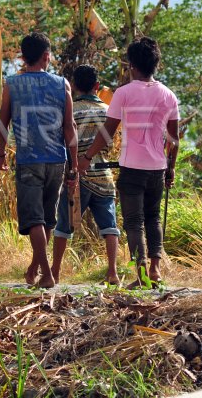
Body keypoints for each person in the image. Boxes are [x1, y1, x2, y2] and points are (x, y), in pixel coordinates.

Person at [78, 37, 179, 288]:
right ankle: (155, 271)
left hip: (132, 168)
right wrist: (171, 168)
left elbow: (107, 132)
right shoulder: (169, 95)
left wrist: (87, 156)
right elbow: (174, 140)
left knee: (134, 222)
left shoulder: (123, 93)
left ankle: (141, 276)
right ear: (155, 64)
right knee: (153, 218)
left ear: (132, 65)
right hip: (158, 168)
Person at [0, 32, 78, 289]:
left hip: (28, 159)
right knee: (46, 218)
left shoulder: (12, 84)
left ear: (23, 57)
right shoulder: (62, 84)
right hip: (57, 159)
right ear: (46, 56)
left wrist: (0, 154)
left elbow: (2, 123)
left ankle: (47, 274)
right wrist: (74, 164)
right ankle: (37, 268)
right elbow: (69, 127)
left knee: (34, 219)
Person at [51, 65, 120, 285]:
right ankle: (113, 272)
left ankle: (55, 272)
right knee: (110, 226)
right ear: (97, 86)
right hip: (103, 174)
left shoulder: (69, 109)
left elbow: (63, 139)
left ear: (73, 86)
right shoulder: (109, 110)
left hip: (75, 177)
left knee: (63, 226)